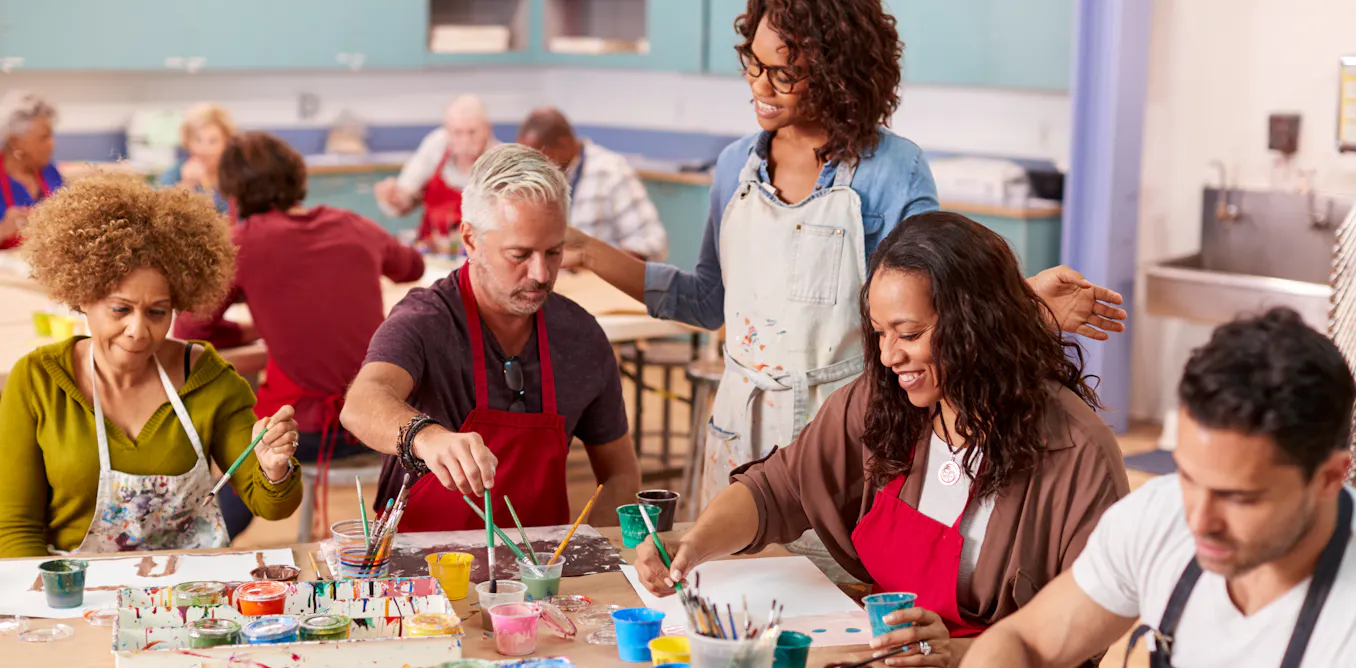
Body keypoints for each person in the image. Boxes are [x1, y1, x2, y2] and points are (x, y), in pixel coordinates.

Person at [564, 0, 1126, 576]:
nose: (760, 85)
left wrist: (1021, 303)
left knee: (835, 602)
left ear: (838, 70)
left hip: (844, 429)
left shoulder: (892, 170)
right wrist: (588, 252)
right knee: (723, 588)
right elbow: (708, 301)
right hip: (737, 427)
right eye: (752, 64)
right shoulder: (735, 167)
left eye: (783, 72)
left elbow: (933, 300)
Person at [632, 212, 1130, 667]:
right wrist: (694, 545)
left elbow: (1078, 631)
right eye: (878, 334)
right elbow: (777, 488)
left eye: (909, 334)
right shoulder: (882, 401)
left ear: (976, 325)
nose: (890, 357)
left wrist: (952, 654)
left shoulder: (1078, 454)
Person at [963, 308, 1356, 668]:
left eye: (1239, 498)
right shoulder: (1158, 517)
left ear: (1329, 478)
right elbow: (1023, 640)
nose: (1199, 521)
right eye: (1187, 477)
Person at [341, 143, 641, 529]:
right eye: (519, 254)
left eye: (554, 252)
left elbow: (620, 476)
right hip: (421, 571)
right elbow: (362, 403)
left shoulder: (580, 336)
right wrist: (428, 438)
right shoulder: (425, 320)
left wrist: (586, 550)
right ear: (470, 239)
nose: (541, 274)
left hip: (537, 575)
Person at [0, 175, 302, 557]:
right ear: (81, 297)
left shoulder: (207, 379)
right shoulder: (38, 380)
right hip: (75, 593)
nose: (138, 331)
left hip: (192, 596)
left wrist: (275, 467)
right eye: (120, 309)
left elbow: (272, 506)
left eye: (158, 312)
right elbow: (14, 528)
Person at [174, 132, 426, 537]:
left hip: (300, 431)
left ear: (232, 190)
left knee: (244, 443)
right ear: (296, 177)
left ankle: (200, 543)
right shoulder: (352, 224)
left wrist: (252, 326)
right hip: (380, 422)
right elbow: (411, 266)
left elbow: (190, 328)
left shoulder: (242, 243)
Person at [517, 107, 668, 261]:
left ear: (564, 144)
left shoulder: (611, 172)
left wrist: (588, 260)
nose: (534, 165)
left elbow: (652, 243)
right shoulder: (544, 177)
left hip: (599, 280)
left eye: (539, 156)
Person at [374, 95, 497, 252]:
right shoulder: (436, 145)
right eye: (457, 133)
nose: (465, 140)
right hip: (431, 252)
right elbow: (406, 198)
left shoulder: (500, 159)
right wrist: (393, 198)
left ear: (488, 129)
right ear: (447, 130)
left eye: (472, 132)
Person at [0, 90, 62, 249]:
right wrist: (3, 231)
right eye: (43, 138)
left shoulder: (50, 173)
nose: (51, 144)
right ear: (14, 142)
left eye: (51, 136)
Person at [158, 103, 236, 214]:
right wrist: (187, 186)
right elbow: (161, 219)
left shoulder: (236, 175)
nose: (204, 149)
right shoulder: (172, 176)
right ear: (187, 141)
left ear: (226, 143)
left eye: (213, 141)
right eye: (198, 140)